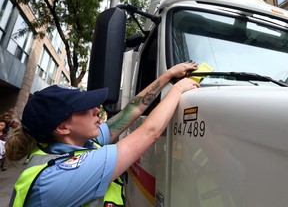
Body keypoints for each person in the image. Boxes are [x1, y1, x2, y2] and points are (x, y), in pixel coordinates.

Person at [6, 62, 199, 206]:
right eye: (84, 108)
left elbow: (130, 112)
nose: (96, 110)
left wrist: (168, 75)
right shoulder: (63, 174)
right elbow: (149, 132)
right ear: (63, 128)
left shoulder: (80, 144)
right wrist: (179, 88)